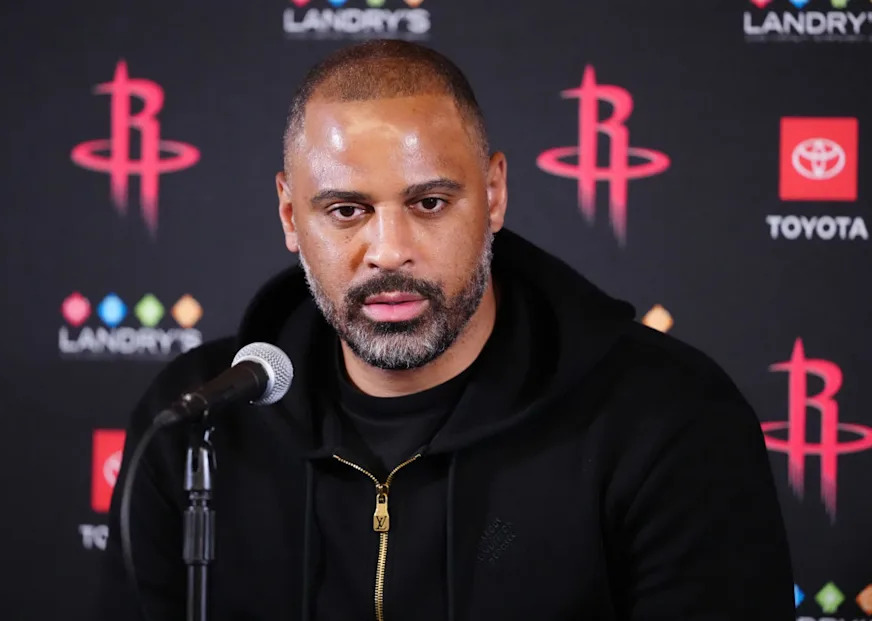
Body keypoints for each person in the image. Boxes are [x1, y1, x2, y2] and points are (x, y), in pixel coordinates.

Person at [99, 39, 794, 621]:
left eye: (429, 202)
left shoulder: (666, 417)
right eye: (346, 210)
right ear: (289, 216)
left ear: (493, 195)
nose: (390, 249)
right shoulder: (198, 415)